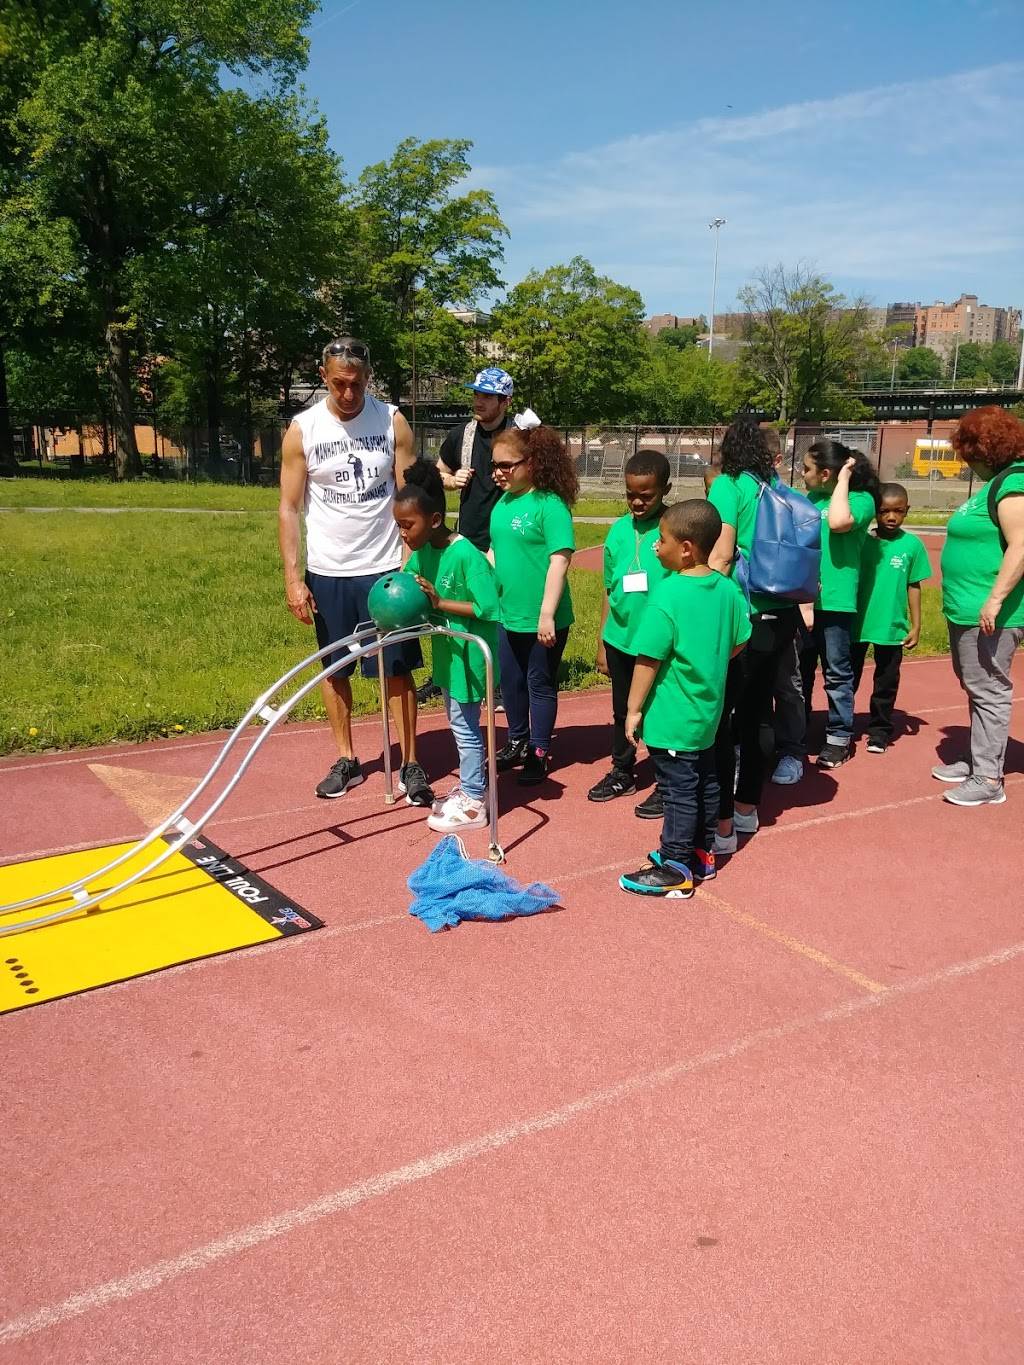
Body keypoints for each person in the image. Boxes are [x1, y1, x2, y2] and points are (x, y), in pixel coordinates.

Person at [278, 336, 433, 806]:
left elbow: (413, 497)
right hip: (329, 570)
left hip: (385, 566)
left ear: (369, 378)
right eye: (340, 384)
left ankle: (410, 763)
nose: (349, 394)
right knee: (335, 669)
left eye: (358, 383)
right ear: (324, 377)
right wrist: (293, 576)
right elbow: (288, 508)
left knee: (397, 669)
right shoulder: (303, 429)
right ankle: (347, 758)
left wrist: (412, 559)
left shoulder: (391, 422)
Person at [618, 500, 751, 898]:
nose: (657, 547)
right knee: (706, 782)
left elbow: (648, 659)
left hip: (673, 716)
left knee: (678, 790)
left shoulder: (668, 594)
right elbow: (739, 641)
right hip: (707, 713)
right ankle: (702, 853)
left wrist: (632, 708)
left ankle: (676, 865)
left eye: (662, 540)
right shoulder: (727, 590)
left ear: (688, 547)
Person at [393, 460, 500, 833]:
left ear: (434, 520)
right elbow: (406, 587)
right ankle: (470, 789)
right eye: (399, 526)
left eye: (408, 526)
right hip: (448, 655)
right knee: (457, 722)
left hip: (470, 656)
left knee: (465, 727)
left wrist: (439, 604)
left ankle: (474, 801)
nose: (403, 534)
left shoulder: (465, 554)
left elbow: (489, 608)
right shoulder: (423, 552)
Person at [707, 418, 798, 852]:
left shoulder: (730, 486)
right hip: (782, 611)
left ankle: (721, 824)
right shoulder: (780, 488)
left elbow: (722, 555)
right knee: (760, 712)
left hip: (744, 614)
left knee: (722, 721)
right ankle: (748, 808)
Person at [935, 405, 1024, 806]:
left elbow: (1022, 545)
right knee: (976, 685)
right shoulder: (995, 486)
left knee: (989, 688)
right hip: (966, 609)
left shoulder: (1012, 485)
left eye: (969, 453)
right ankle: (978, 759)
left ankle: (989, 779)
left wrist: (995, 600)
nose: (966, 462)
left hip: (992, 614)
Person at [489, 414, 578, 785]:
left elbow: (560, 561)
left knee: (538, 682)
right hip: (508, 614)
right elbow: (495, 553)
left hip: (543, 617)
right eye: (494, 465)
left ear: (531, 463)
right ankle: (517, 740)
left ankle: (539, 750)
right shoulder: (502, 504)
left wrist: (546, 615)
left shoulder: (549, 505)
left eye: (506, 465)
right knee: (510, 682)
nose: (498, 473)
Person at [423, 367, 514, 706]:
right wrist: (451, 479)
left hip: (506, 538)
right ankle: (447, 672)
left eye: (486, 396)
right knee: (458, 605)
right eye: (476, 393)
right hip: (467, 537)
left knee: (497, 608)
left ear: (504, 401)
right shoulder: (462, 434)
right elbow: (439, 471)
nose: (478, 400)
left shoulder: (519, 435)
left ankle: (500, 680)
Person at [588, 450, 673, 812]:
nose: (637, 502)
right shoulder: (619, 530)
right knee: (623, 710)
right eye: (631, 495)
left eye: (647, 495)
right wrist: (602, 640)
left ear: (665, 489)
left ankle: (668, 782)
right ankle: (623, 771)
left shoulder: (674, 529)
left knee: (657, 710)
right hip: (621, 638)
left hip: (657, 644)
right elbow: (610, 587)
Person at [801, 439, 880, 768]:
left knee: (836, 672)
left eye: (807, 468)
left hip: (836, 603)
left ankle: (838, 737)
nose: (802, 474)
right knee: (800, 672)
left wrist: (844, 480)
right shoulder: (810, 499)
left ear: (826, 474)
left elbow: (838, 522)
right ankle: (797, 731)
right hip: (803, 600)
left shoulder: (861, 501)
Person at [851, 483, 930, 754]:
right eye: (885, 511)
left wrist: (916, 625)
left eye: (898, 511)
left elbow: (914, 585)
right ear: (875, 512)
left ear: (907, 510)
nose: (891, 517)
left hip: (892, 627)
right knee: (847, 679)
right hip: (858, 625)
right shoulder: (862, 542)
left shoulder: (912, 545)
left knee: (886, 682)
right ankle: (842, 726)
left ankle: (880, 730)